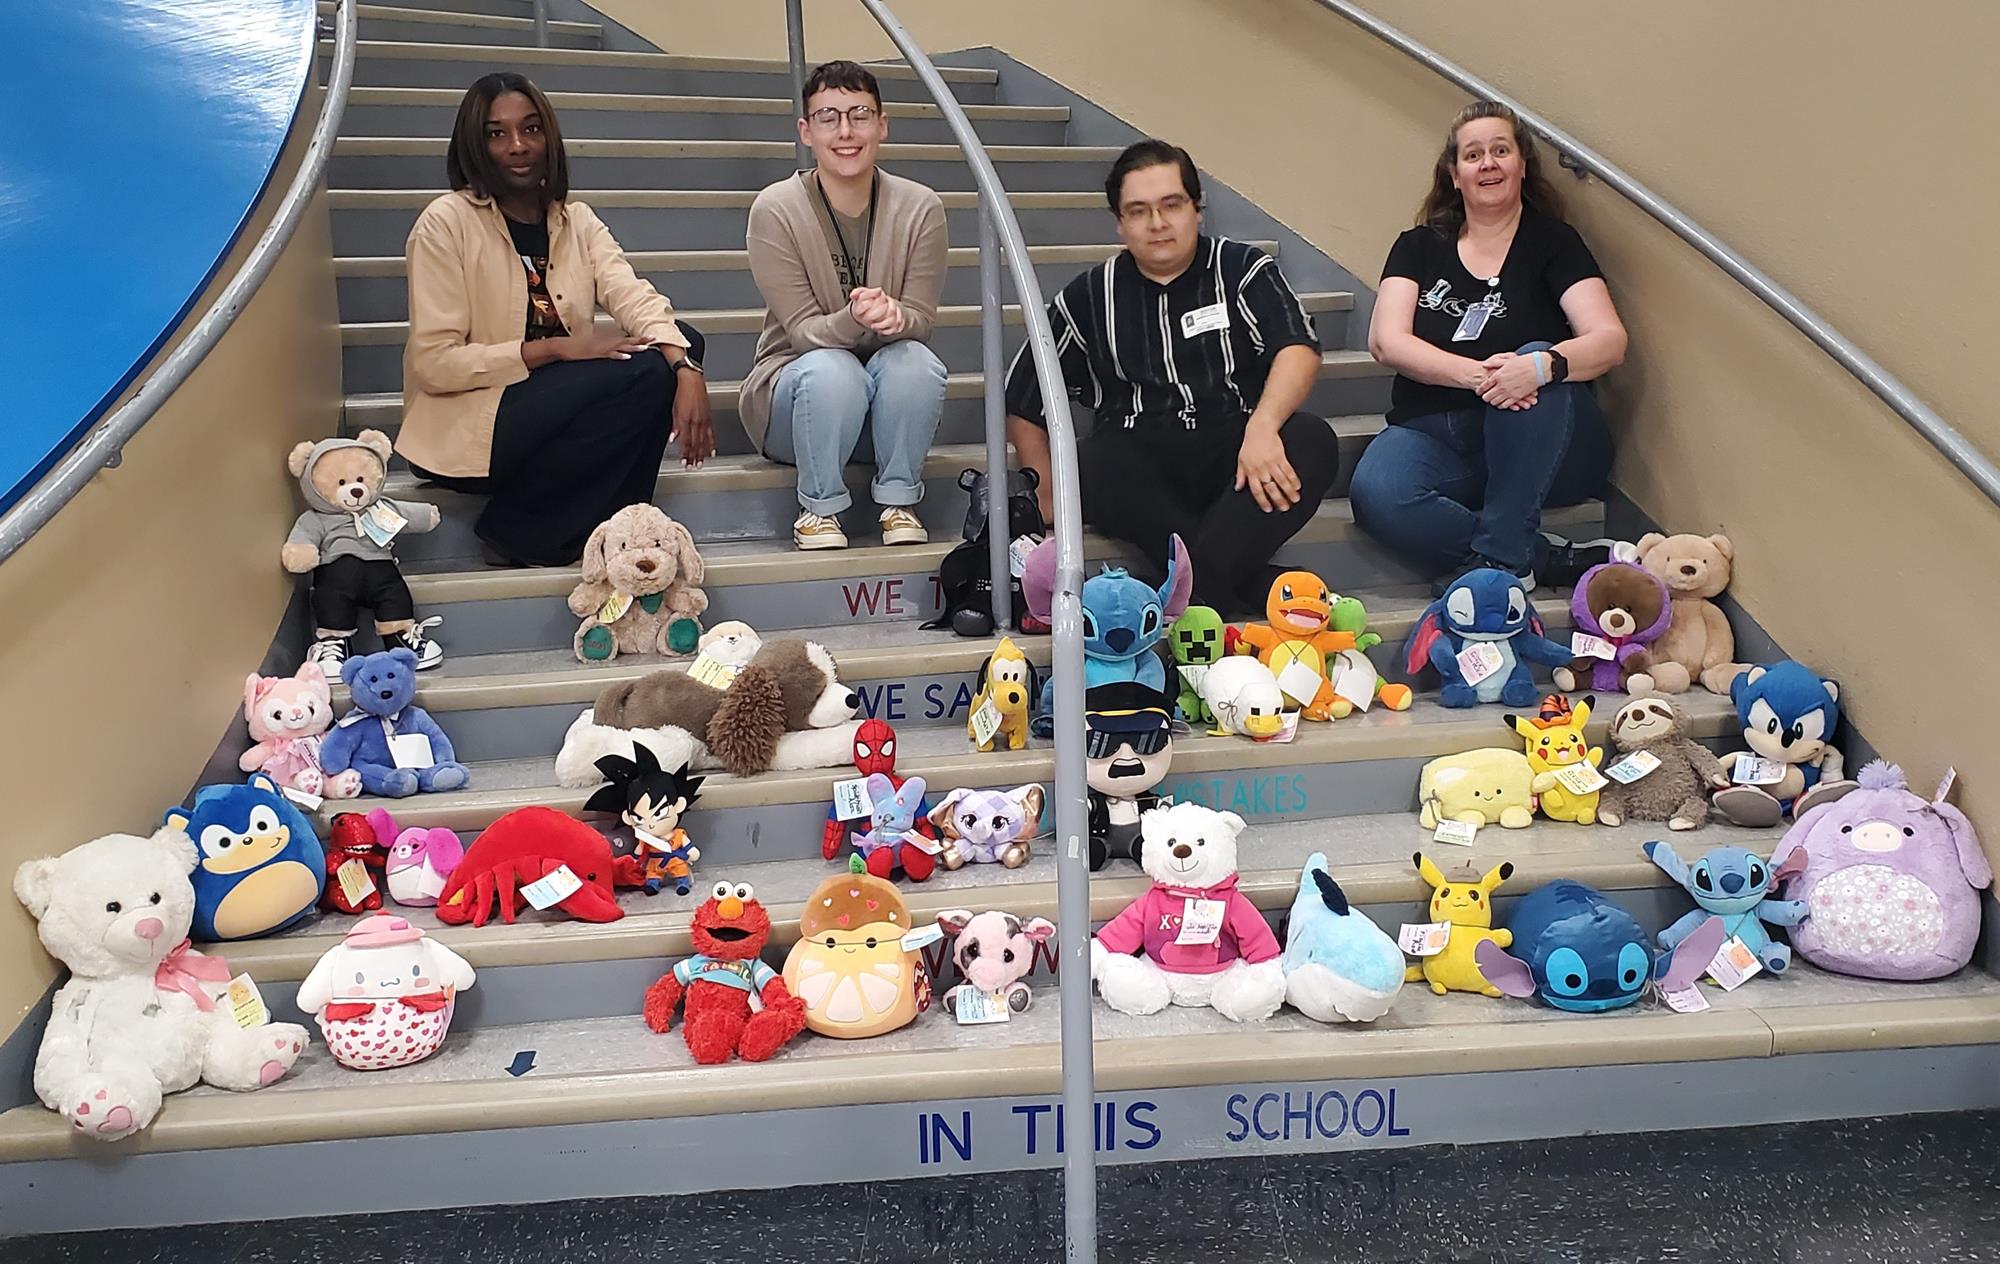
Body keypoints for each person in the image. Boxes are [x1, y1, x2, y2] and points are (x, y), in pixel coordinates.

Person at [1004, 140, 1340, 615]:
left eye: (1171, 205)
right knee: (1092, 463)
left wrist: (1263, 428)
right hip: (1141, 468)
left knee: (1313, 439)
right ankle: (1237, 583)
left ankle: (1193, 585)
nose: (1157, 223)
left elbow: (1298, 347)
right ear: (1120, 223)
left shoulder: (1242, 270)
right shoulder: (1088, 297)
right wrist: (1046, 492)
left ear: (1197, 210)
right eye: (1138, 211)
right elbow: (1023, 397)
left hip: (1239, 455)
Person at [399, 72, 713, 569]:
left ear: (549, 137)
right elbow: (435, 364)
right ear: (473, 145)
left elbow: (634, 296)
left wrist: (687, 370)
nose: (518, 146)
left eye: (530, 129)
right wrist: (556, 349)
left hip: (555, 415)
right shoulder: (445, 222)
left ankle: (604, 529)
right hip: (469, 428)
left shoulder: (577, 221)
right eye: (496, 133)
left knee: (678, 345)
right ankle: (522, 533)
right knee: (643, 368)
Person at [1349, 100, 1628, 593]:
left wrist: (1543, 366)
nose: (1488, 163)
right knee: (1378, 492)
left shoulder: (1553, 243)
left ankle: (1500, 560)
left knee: (1536, 353)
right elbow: (1386, 340)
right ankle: (1531, 554)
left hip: (1546, 441)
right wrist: (1479, 376)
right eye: (1473, 155)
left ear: (1522, 165)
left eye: (1501, 150)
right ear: (1455, 175)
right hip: (1438, 432)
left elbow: (1610, 340)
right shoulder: (1418, 246)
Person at [742, 60, 949, 552]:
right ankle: (818, 511)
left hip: (881, 413)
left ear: (883, 125)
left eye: (859, 114)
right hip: (797, 406)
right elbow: (802, 334)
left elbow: (921, 319)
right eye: (828, 117)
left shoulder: (922, 208)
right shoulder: (775, 209)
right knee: (833, 369)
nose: (845, 131)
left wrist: (899, 318)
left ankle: (899, 500)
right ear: (806, 131)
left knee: (916, 362)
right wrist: (855, 318)